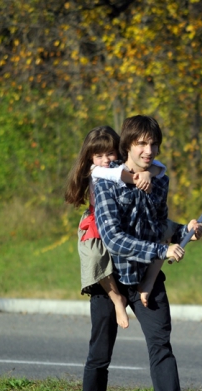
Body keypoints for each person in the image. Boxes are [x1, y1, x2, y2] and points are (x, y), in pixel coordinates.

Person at [80, 115, 202, 391]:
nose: (149, 150)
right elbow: (113, 237)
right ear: (128, 147)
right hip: (112, 277)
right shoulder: (106, 181)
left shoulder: (159, 179)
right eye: (142, 144)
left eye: (153, 144)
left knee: (160, 342)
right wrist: (160, 251)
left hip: (145, 277)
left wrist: (184, 231)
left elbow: (157, 224)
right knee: (100, 352)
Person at [65, 126, 167, 328]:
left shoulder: (120, 165)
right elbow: (118, 175)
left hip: (116, 216)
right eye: (98, 155)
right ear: (90, 158)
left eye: (110, 153)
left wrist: (150, 171)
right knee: (95, 257)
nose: (105, 160)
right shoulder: (97, 170)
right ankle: (116, 299)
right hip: (95, 221)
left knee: (165, 231)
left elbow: (160, 167)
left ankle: (147, 282)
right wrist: (141, 176)